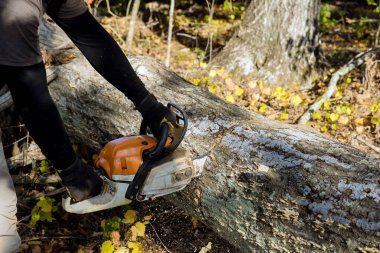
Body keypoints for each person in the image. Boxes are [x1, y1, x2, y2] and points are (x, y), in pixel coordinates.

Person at [0, 0, 176, 251]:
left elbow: (93, 38)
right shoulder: (18, 10)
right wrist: (72, 171)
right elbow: (31, 99)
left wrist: (148, 105)